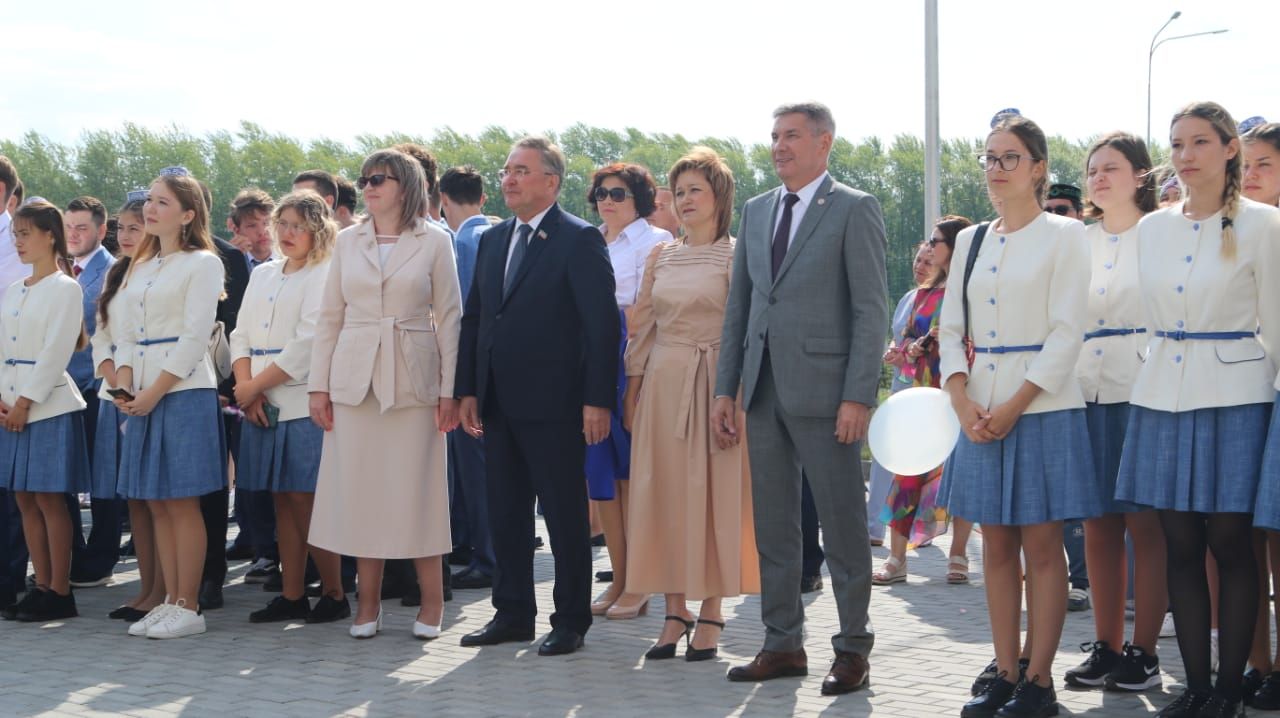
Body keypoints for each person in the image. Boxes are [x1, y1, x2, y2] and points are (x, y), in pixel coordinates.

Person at [714, 102, 888, 695]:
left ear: (824, 143)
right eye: (774, 136)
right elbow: (742, 306)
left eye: (791, 136)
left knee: (842, 528)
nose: (779, 146)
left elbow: (871, 311)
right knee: (775, 529)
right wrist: (725, 388)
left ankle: (852, 650)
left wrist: (858, 395)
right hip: (761, 391)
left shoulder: (854, 207)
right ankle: (782, 643)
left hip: (827, 394)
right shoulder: (758, 210)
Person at [1115, 101, 1280, 717]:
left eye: (1200, 143)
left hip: (1237, 397)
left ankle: (1232, 689)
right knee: (1179, 545)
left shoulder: (1264, 224)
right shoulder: (1152, 227)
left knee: (1233, 546)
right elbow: (1142, 316)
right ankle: (1198, 686)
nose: (1185, 156)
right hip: (1162, 395)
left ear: (1230, 148)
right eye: (1177, 144)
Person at [941, 113, 1097, 718]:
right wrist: (961, 398)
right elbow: (951, 329)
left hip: (1042, 405)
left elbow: (1066, 333)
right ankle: (1004, 672)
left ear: (1038, 168)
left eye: (1009, 158)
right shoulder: (972, 239)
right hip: (979, 407)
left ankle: (1038, 681)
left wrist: (1015, 403)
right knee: (996, 547)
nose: (995, 170)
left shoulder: (1065, 235)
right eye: (988, 158)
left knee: (1042, 547)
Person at [455, 136, 620, 656]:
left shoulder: (578, 239)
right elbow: (477, 318)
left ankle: (570, 619)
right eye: (506, 170)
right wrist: (467, 389)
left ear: (551, 181)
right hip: (498, 401)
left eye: (521, 170)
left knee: (565, 515)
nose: (508, 178)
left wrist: (598, 400)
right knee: (505, 513)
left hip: (557, 405)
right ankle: (512, 614)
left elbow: (601, 327)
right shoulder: (493, 239)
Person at [307, 148, 462, 640]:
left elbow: (452, 317)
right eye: (365, 178)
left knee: (419, 490)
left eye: (380, 178)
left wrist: (450, 391)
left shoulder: (435, 241)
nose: (369, 186)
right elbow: (329, 315)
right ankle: (367, 603)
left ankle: (432, 600)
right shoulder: (347, 242)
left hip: (415, 379)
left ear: (406, 186)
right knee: (360, 492)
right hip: (355, 380)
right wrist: (318, 386)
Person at [623, 146, 759, 662]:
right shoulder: (661, 256)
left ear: (719, 196)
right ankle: (673, 609)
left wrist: (737, 394)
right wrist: (633, 391)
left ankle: (713, 610)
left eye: (695, 190)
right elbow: (642, 329)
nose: (684, 201)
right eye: (677, 192)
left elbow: (747, 332)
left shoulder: (738, 254)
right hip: (663, 381)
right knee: (664, 496)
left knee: (716, 497)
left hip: (719, 386)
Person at [1061, 132, 1168, 694]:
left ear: (1141, 175)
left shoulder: (1162, 234)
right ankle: (1105, 646)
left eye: (1112, 168)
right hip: (1086, 384)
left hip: (1144, 383)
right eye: (1093, 170)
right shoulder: (1078, 240)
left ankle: (1144, 651)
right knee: (1098, 523)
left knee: (1144, 524)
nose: (1099, 178)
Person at [113, 171, 227, 639]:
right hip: (140, 392)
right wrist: (124, 387)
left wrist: (153, 391)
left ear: (188, 214)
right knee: (157, 501)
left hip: (181, 390)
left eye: (163, 202)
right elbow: (122, 333)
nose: (150, 209)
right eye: (150, 201)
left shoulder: (203, 263)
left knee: (182, 501)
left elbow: (194, 336)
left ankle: (188, 603)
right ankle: (166, 600)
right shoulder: (140, 265)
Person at [230, 190, 347, 624]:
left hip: (300, 399)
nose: (288, 233)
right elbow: (239, 334)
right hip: (259, 399)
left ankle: (334, 593)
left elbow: (308, 342)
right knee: (281, 500)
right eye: (283, 224)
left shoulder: (324, 272)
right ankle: (293, 593)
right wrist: (247, 387)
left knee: (307, 500)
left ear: (319, 229)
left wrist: (254, 386)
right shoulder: (264, 273)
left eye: (299, 225)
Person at [585, 162, 671, 621]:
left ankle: (643, 582)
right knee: (604, 482)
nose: (606, 200)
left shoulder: (655, 243)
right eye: (600, 192)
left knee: (635, 478)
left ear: (639, 198)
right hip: (592, 363)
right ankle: (620, 577)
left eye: (617, 193)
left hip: (635, 367)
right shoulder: (589, 240)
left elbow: (645, 312)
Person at [0, 201, 90, 622]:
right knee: (24, 499)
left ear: (49, 235)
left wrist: (24, 402)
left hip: (47, 405)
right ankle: (41, 585)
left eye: (25, 233)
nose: (17, 241)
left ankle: (60, 588)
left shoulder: (65, 287)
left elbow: (56, 352)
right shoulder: (14, 290)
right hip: (11, 406)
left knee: (50, 499)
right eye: (14, 234)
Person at [873, 216, 974, 587]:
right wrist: (905, 352)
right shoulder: (924, 292)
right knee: (909, 471)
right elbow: (912, 338)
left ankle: (959, 554)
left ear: (956, 245)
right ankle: (897, 558)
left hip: (963, 390)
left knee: (962, 472)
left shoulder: (972, 288)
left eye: (936, 241)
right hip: (923, 392)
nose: (928, 249)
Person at [94, 194, 162, 623]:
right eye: (121, 227)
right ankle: (146, 588)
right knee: (134, 498)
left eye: (135, 228)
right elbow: (102, 334)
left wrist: (134, 386)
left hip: (151, 390)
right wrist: (115, 382)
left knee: (157, 497)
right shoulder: (117, 273)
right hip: (117, 393)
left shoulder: (161, 273)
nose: (125, 236)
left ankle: (165, 590)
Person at [438, 166, 494, 591]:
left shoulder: (460, 242)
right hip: (494, 372)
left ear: (442, 199)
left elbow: (459, 317)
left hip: (469, 374)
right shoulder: (493, 232)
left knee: (475, 470)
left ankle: (486, 556)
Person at [62, 196, 122, 589]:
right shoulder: (58, 268)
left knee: (104, 482)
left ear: (101, 231)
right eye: (69, 227)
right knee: (62, 480)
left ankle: (100, 558)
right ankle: (71, 554)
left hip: (96, 388)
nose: (74, 235)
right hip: (60, 391)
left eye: (82, 228)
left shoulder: (112, 271)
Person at [1241, 120, 1280, 708]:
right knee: (1249, 537)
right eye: (1243, 164)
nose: (1249, 175)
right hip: (1247, 394)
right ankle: (1258, 664)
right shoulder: (1227, 231)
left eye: (1263, 164)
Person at [223, 188, 280, 586]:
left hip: (279, 377)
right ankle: (258, 544)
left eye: (266, 224)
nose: (261, 233)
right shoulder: (228, 264)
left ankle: (280, 551)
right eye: (252, 225)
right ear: (235, 228)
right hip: (236, 380)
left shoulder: (286, 265)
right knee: (248, 471)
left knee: (279, 477)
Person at [867, 246, 933, 548]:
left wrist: (908, 356)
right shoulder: (908, 298)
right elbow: (899, 337)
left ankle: (919, 531)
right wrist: (895, 352)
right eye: (918, 259)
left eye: (928, 261)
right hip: (899, 388)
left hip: (927, 390)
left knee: (921, 464)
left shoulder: (945, 301)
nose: (920, 265)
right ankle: (874, 527)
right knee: (885, 454)